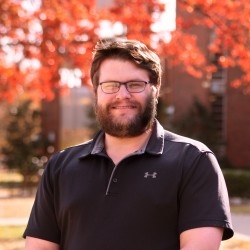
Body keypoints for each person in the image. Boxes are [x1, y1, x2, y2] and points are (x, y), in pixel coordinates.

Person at [24, 39, 234, 250]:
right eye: (110, 85)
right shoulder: (60, 167)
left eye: (135, 84)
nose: (122, 95)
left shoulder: (193, 160)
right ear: (96, 91)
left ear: (156, 90)